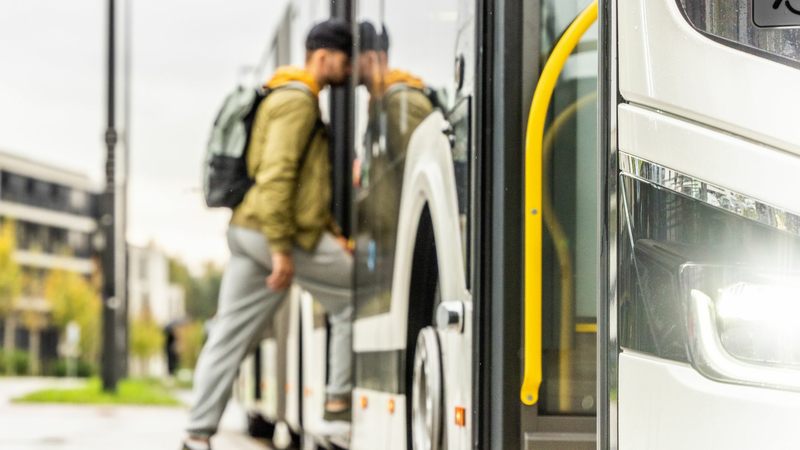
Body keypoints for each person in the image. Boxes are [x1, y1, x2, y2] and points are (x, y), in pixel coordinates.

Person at [182, 20, 354, 450]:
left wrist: (330, 233)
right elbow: (278, 178)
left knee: (228, 338)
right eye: (345, 60)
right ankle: (338, 410)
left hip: (248, 229)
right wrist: (281, 251)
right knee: (355, 294)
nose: (348, 70)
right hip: (273, 234)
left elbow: (308, 188)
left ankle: (196, 435)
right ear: (323, 56)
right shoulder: (299, 101)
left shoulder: (281, 93)